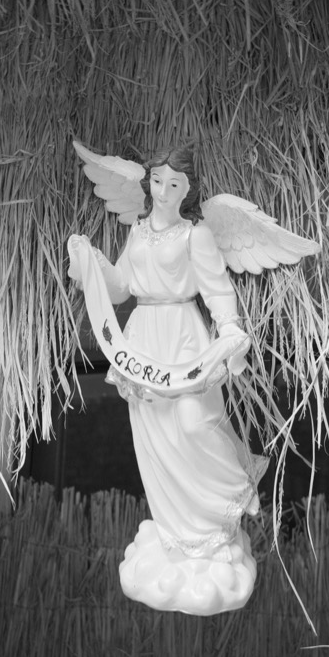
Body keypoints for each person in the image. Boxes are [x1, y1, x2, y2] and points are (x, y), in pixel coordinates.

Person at [68, 145, 267, 615]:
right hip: (143, 342)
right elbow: (122, 287)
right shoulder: (137, 232)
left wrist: (230, 328)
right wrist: (93, 263)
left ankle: (229, 496)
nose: (163, 191)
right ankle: (181, 535)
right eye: (157, 180)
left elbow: (217, 290)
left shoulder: (197, 235)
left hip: (184, 339)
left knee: (195, 422)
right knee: (154, 435)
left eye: (174, 184)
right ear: (148, 182)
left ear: (187, 190)